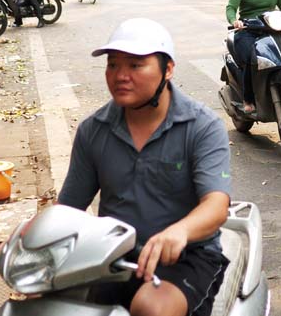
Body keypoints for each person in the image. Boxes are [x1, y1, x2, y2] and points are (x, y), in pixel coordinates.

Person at [58, 19, 231, 316]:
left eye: (136, 65)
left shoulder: (203, 126)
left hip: (187, 257)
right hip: (113, 256)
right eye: (112, 65)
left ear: (168, 70)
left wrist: (179, 232)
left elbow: (216, 205)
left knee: (151, 308)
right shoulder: (93, 130)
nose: (120, 76)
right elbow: (68, 209)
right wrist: (25, 238)